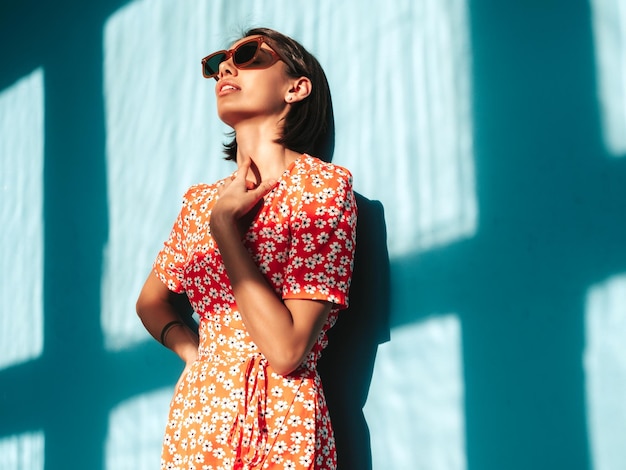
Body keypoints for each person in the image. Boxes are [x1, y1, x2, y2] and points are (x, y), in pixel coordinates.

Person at [136, 27, 357, 470]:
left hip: (280, 420)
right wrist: (192, 353)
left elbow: (287, 350)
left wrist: (225, 228)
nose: (226, 67)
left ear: (296, 88)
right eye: (219, 62)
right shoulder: (200, 202)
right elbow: (150, 302)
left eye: (249, 54)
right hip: (198, 422)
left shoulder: (321, 188)